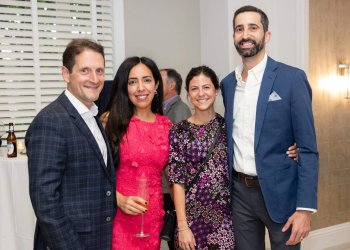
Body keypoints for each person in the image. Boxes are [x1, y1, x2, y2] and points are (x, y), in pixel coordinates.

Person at [221, 5, 319, 250]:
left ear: (266, 35)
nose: (245, 35)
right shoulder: (228, 84)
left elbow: (307, 148)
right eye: (239, 29)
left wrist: (305, 209)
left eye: (253, 28)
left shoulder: (292, 79)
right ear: (234, 36)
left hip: (281, 193)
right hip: (240, 194)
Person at [25, 38, 116, 250]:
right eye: (85, 70)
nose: (95, 79)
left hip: (99, 240)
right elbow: (45, 202)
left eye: (100, 71)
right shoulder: (50, 121)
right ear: (66, 74)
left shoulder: (92, 116)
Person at [103, 56, 172, 250]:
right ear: (125, 87)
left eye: (147, 80)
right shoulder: (110, 122)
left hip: (151, 217)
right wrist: (118, 199)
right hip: (119, 216)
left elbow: (173, 178)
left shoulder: (166, 127)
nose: (141, 88)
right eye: (132, 82)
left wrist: (184, 221)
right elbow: (95, 174)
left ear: (156, 84)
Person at [168, 65, 235, 250]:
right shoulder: (178, 131)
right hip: (190, 222)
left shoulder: (228, 128)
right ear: (188, 94)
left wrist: (291, 150)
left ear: (216, 90)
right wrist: (182, 226)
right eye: (194, 88)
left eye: (206, 87)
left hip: (224, 222)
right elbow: (177, 182)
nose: (201, 93)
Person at [160, 68, 191, 250]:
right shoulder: (163, 108)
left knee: (176, 239)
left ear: (171, 85)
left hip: (173, 187)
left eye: (159, 81)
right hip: (165, 185)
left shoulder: (180, 110)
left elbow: (179, 154)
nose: (154, 85)